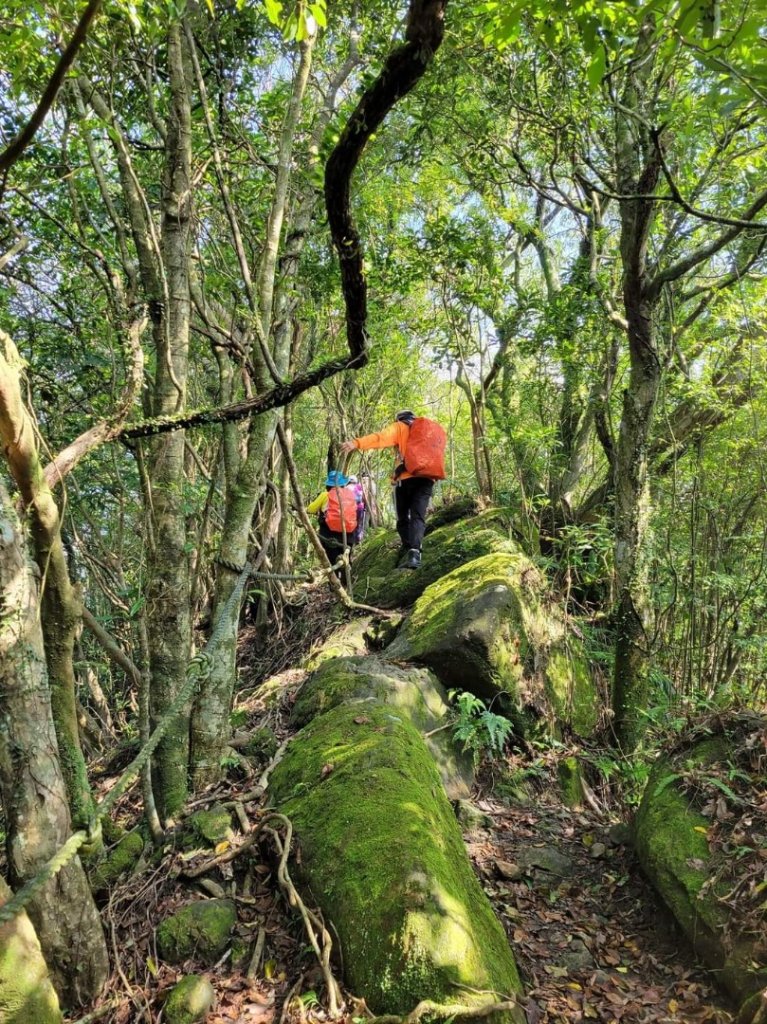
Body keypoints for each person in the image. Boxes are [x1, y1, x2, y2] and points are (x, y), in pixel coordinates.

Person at [340, 410, 446, 569]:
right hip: (427, 479)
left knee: (403, 518)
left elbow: (380, 438)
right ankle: (415, 552)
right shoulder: (427, 431)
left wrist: (356, 443)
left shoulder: (400, 427)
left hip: (406, 479)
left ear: (399, 418)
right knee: (418, 517)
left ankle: (408, 549)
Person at [306, 470, 358, 578]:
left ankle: (334, 583)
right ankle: (347, 580)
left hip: (329, 533)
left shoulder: (326, 494)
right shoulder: (350, 495)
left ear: (328, 484)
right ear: (343, 483)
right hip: (348, 533)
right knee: (346, 557)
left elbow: (310, 509)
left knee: (331, 559)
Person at [347, 474, 367, 544]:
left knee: (351, 525)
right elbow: (364, 498)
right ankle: (358, 540)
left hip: (350, 509)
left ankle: (350, 541)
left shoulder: (346, 488)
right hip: (360, 508)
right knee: (359, 525)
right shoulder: (359, 487)